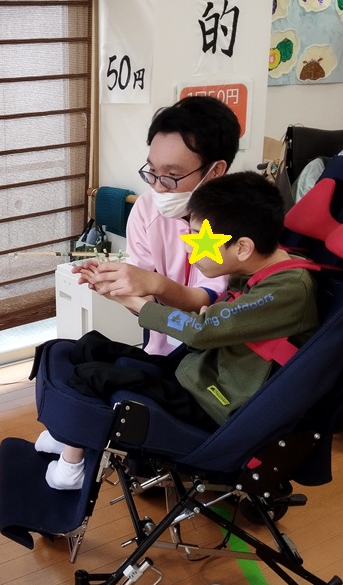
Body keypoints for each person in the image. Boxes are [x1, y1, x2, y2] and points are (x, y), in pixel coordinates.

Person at [43, 172, 320, 490]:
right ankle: (64, 434)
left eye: (201, 241)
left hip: (212, 403)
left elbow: (201, 330)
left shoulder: (287, 289)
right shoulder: (256, 271)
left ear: (242, 247)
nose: (191, 250)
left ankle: (71, 471)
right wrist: (122, 294)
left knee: (94, 376)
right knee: (88, 346)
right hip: (193, 373)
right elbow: (212, 323)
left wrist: (135, 301)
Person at [73, 95, 241, 357]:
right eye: (152, 171)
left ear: (216, 170)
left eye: (172, 176)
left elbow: (208, 301)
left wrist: (156, 284)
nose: (158, 187)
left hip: (213, 357)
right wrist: (117, 286)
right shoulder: (146, 209)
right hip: (160, 350)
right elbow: (146, 301)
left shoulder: (236, 220)